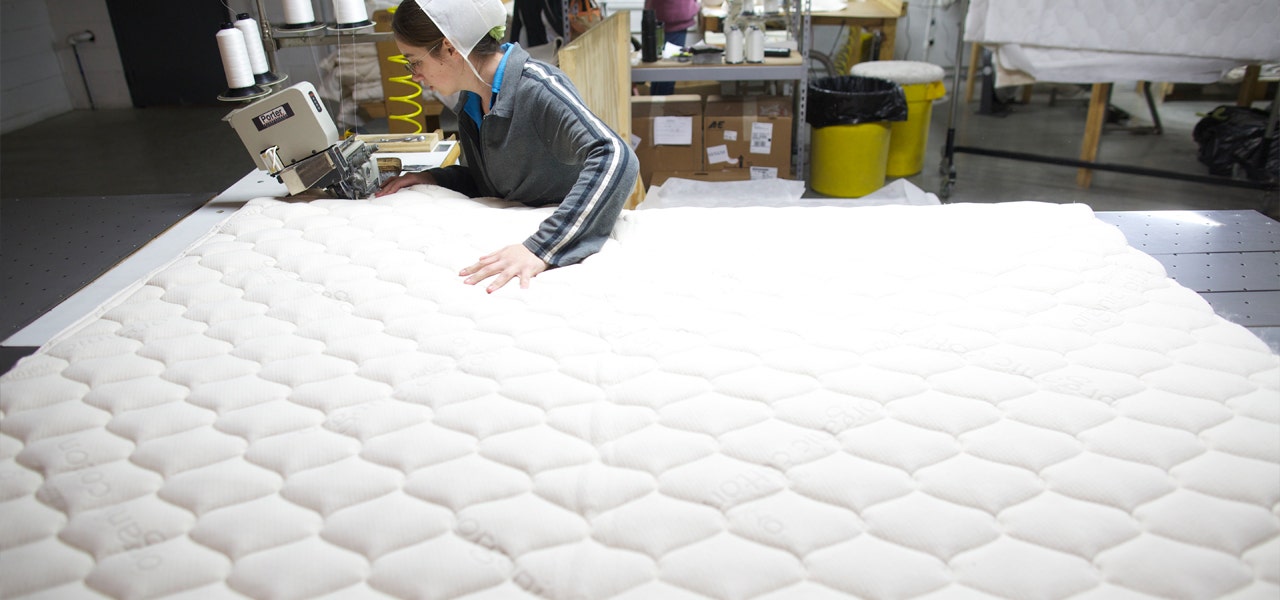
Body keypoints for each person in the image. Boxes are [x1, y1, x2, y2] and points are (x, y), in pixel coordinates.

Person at [377, 0, 639, 294]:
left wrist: (542, 248)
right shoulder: (473, 102)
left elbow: (616, 156)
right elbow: (493, 182)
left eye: (414, 61)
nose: (415, 75)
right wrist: (435, 178)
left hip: (566, 233)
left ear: (450, 48)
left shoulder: (536, 88)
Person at [644, 0, 699, 95]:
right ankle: (659, 108)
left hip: (662, 15)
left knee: (659, 72)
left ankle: (656, 108)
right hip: (672, 15)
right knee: (666, 73)